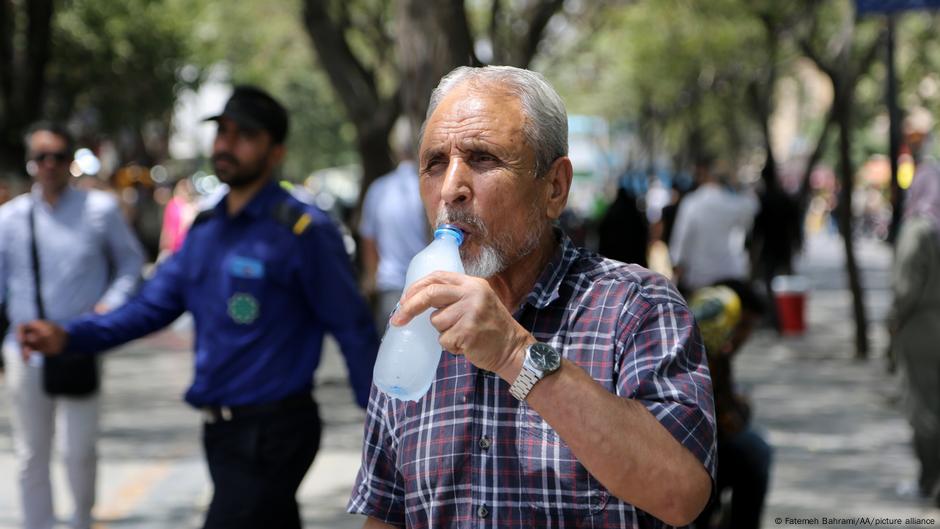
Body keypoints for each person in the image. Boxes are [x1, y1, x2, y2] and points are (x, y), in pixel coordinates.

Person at [346, 66, 715, 529]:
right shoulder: (417, 316)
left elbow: (680, 494)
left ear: (554, 187)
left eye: (482, 159)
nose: (451, 189)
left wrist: (515, 353)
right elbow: (387, 510)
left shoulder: (635, 306)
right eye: (435, 163)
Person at [18, 86, 380, 529]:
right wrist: (71, 335)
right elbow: (150, 308)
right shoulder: (207, 229)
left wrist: (384, 425)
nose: (226, 144)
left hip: (275, 430)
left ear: (276, 151)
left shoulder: (303, 231)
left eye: (244, 135)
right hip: (222, 432)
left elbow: (353, 329)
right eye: (222, 132)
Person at [0, 121, 145, 529]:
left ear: (70, 161)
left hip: (78, 343)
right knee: (31, 454)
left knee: (78, 450)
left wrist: (108, 308)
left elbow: (131, 263)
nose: (49, 165)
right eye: (40, 157)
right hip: (24, 349)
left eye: (58, 156)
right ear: (30, 164)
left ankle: (82, 520)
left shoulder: (99, 210)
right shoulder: (10, 218)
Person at [689, 280, 772, 529]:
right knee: (755, 451)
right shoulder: (700, 353)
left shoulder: (717, 354)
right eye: (741, 325)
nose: (742, 336)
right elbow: (725, 420)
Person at [890, 156, 940, 507]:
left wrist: (892, 321)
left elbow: (905, 288)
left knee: (923, 408)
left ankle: (929, 481)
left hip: (921, 329)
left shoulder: (918, 229)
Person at [358, 119, 428, 330]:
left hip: (391, 288)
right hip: (430, 286)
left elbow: (369, 240)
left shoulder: (379, 189)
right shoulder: (430, 188)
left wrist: (371, 278)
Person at [669, 160, 758, 294]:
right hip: (728, 275)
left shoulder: (691, 204)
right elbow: (752, 206)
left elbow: (681, 241)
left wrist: (677, 267)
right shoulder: (730, 202)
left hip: (699, 279)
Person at [597, 186, 649, 267]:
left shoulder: (611, 212)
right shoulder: (634, 215)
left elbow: (601, 231)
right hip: (633, 258)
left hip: (613, 258)